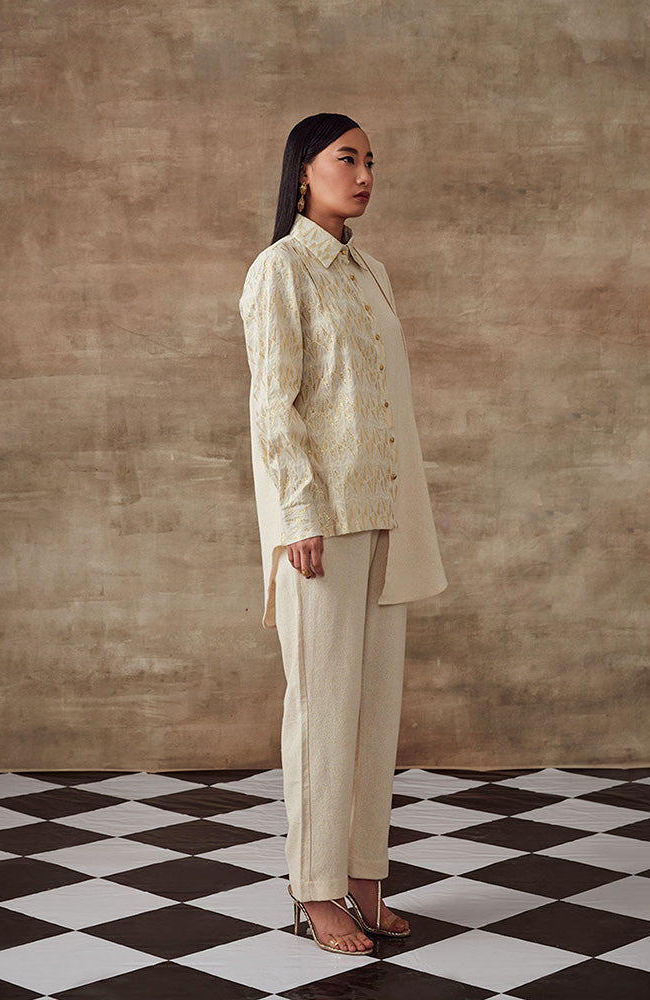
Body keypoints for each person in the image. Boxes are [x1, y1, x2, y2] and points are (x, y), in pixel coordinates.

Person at [238, 113, 447, 956]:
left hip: (387, 514)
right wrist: (298, 517)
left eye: (370, 162)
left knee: (373, 711)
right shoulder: (280, 270)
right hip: (319, 524)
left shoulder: (371, 273)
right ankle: (314, 888)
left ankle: (364, 876)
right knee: (322, 711)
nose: (363, 175)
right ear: (304, 172)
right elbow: (272, 405)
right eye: (346, 158)